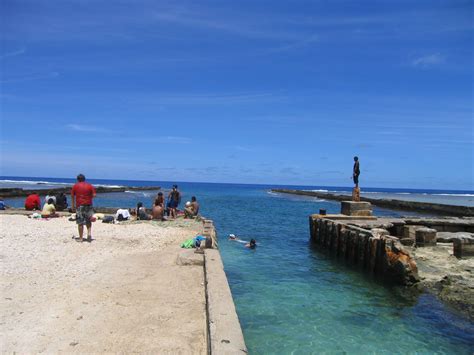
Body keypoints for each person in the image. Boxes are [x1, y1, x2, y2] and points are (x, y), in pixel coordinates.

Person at [71, 174, 96, 243]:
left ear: (78, 179)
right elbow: (94, 195)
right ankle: (89, 234)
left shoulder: (75, 186)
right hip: (89, 205)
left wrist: (73, 206)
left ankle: (81, 238)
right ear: (84, 179)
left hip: (79, 206)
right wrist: (88, 198)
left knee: (80, 222)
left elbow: (72, 197)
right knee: (88, 220)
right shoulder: (90, 185)